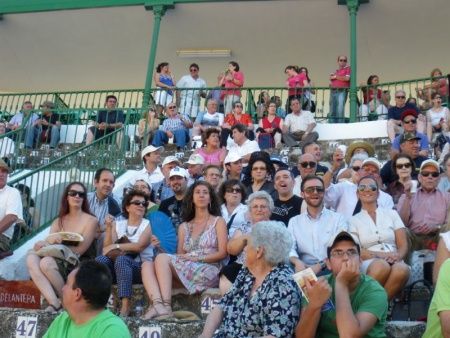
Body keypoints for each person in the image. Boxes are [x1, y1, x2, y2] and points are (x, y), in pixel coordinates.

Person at [141, 181, 228, 319]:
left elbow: (223, 253)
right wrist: (160, 248)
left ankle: (167, 307)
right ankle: (157, 305)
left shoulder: (218, 221)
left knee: (162, 259)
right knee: (147, 265)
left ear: (210, 198)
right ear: (192, 198)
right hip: (186, 268)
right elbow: (179, 257)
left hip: (208, 268)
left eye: (205, 193)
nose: (201, 195)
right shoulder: (183, 227)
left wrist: (198, 258)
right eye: (197, 192)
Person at [200, 221, 301, 338]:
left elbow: (274, 335)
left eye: (248, 244)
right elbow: (221, 306)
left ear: (259, 252)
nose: (245, 249)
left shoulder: (283, 285)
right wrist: (205, 335)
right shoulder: (247, 271)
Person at [295, 230, 388, 338]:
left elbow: (349, 336)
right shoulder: (318, 286)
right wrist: (314, 304)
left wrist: (341, 283)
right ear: (328, 264)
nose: (345, 258)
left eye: (352, 252)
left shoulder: (374, 291)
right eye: (338, 253)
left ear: (360, 262)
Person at [27, 182, 97, 312]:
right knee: (31, 259)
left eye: (81, 194)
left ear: (84, 198)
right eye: (73, 193)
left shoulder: (91, 220)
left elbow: (80, 251)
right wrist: (45, 243)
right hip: (58, 259)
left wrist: (56, 244)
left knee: (46, 262)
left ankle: (65, 302)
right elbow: (49, 247)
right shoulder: (58, 221)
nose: (77, 196)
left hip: (78, 262)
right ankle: (54, 302)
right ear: (66, 197)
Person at [349, 176, 410, 300]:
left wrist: (398, 256)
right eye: (362, 188)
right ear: (357, 194)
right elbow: (357, 250)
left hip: (394, 258)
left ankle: (377, 308)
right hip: (369, 260)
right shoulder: (352, 220)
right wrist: (384, 256)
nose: (367, 190)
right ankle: (369, 305)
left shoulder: (392, 214)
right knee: (381, 266)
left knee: (402, 269)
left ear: (378, 193)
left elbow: (403, 245)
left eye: (372, 188)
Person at [96, 189, 154, 317]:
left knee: (122, 260)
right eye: (137, 203)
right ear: (127, 207)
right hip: (118, 269)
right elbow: (106, 249)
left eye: (143, 204)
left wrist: (117, 245)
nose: (141, 206)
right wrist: (109, 227)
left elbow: (139, 246)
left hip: (139, 269)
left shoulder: (147, 224)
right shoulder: (118, 225)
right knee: (101, 260)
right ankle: (98, 303)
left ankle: (125, 307)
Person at [43, 260, 131, 338]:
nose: (63, 289)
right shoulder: (62, 320)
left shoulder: (112, 331)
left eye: (67, 284)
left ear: (77, 293)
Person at [289, 176, 348, 276]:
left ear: (324, 193)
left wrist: (320, 265)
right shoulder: (294, 222)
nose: (315, 192)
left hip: (331, 267)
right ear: (302, 194)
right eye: (310, 190)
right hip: (303, 267)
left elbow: (340, 248)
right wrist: (297, 262)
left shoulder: (338, 219)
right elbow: (290, 248)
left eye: (319, 189)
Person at [219, 191, 274, 294]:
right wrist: (246, 238)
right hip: (243, 265)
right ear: (250, 210)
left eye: (263, 206)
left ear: (270, 209)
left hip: (267, 266)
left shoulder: (277, 226)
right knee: (228, 271)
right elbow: (231, 249)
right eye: (255, 207)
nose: (259, 210)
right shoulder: (244, 226)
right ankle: (228, 306)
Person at [397, 159, 450, 262]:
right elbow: (401, 223)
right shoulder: (406, 196)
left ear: (439, 179)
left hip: (437, 236)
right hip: (414, 237)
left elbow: (448, 224)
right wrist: (408, 198)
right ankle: (407, 272)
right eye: (425, 174)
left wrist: (436, 227)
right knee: (403, 231)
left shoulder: (447, 197)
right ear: (419, 178)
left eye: (434, 174)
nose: (430, 177)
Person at [324, 155, 394, 219]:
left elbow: (387, 222)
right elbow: (323, 189)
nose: (370, 172)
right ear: (360, 171)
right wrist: (334, 167)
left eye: (375, 171)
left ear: (379, 176)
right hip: (345, 231)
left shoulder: (386, 198)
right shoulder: (344, 189)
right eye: (366, 169)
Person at [87, 168, 122, 255]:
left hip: (103, 242)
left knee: (105, 236)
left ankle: (99, 265)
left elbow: (117, 228)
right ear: (96, 183)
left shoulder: (118, 204)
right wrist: (97, 229)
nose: (108, 184)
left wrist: (101, 228)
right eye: (105, 180)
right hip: (85, 236)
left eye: (111, 182)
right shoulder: (86, 199)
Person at [0, 159, 22, 259]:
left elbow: (12, 217)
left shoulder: (12, 192)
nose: (1, 174)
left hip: (1, 237)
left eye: (4, 171)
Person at [159, 166, 189, 232]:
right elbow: (160, 227)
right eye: (172, 179)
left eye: (179, 178)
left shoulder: (195, 202)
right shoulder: (164, 204)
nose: (175, 182)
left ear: (187, 180)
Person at [329, 55, 351, 123]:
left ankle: (340, 123)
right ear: (338, 62)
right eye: (341, 60)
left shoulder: (348, 68)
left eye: (344, 60)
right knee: (332, 109)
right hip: (333, 91)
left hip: (342, 91)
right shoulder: (335, 72)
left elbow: (347, 78)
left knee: (340, 108)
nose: (343, 62)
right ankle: (332, 124)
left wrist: (335, 77)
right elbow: (331, 84)